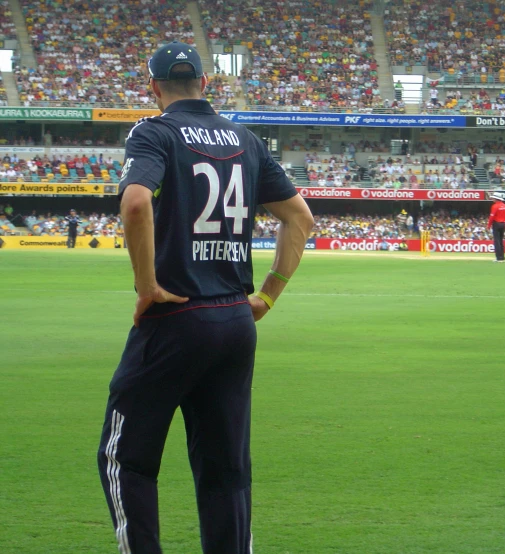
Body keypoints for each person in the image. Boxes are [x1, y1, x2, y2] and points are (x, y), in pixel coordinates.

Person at [96, 41, 314, 554]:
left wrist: (148, 286)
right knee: (226, 468)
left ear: (153, 88)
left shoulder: (155, 131)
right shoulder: (245, 139)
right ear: (206, 85)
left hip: (176, 316)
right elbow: (300, 218)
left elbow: (134, 203)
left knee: (124, 458)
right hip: (235, 318)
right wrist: (269, 294)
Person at [486, 193, 505, 262]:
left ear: (496, 199)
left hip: (496, 223)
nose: (492, 199)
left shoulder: (495, 206)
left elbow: (491, 216)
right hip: (503, 224)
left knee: (497, 241)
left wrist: (489, 225)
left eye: (493, 198)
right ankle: (502, 257)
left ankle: (498, 258)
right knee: (501, 240)